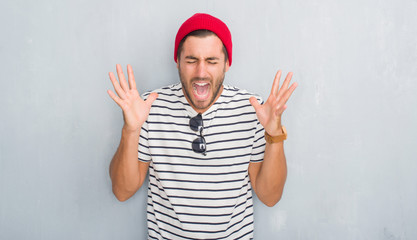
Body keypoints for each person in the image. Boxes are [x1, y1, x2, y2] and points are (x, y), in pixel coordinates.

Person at [108, 13, 297, 239]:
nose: (200, 72)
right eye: (191, 60)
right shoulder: (149, 108)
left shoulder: (254, 110)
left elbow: (270, 197)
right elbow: (122, 191)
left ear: (227, 63)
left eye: (211, 61)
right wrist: (130, 129)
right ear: (177, 62)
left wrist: (274, 134)